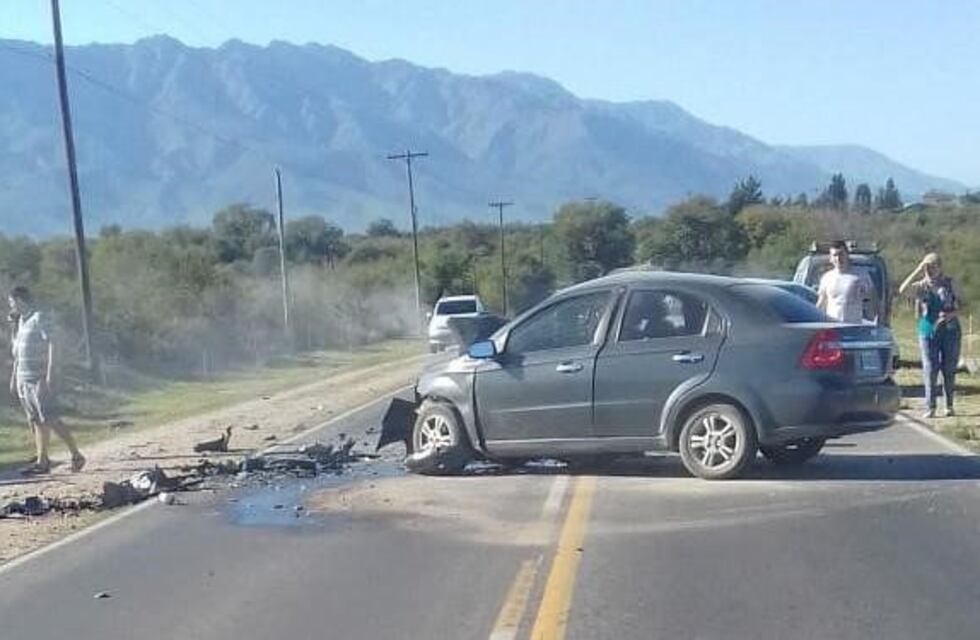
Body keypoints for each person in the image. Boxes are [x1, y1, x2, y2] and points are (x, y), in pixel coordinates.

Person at [7, 286, 85, 475]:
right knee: (36, 421)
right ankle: (42, 461)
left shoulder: (39, 318)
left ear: (19, 300)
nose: (10, 306)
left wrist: (52, 370)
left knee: (50, 418)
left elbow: (53, 342)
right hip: (23, 380)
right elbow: (17, 354)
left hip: (39, 378)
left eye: (11, 302)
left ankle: (76, 454)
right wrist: (14, 379)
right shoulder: (21, 323)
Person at [899, 253, 961, 418]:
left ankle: (949, 405)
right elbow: (903, 290)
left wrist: (950, 315)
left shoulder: (949, 283)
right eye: (927, 267)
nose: (929, 270)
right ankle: (930, 406)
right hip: (927, 329)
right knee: (930, 368)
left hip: (950, 329)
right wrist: (917, 269)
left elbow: (960, 304)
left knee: (949, 368)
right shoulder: (921, 286)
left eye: (933, 266)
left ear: (940, 267)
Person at [816, 241, 877, 323]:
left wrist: (874, 323)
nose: (838, 259)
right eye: (835, 255)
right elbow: (821, 303)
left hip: (853, 328)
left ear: (847, 255)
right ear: (830, 258)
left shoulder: (861, 276)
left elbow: (871, 301)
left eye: (841, 254)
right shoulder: (827, 278)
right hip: (832, 328)